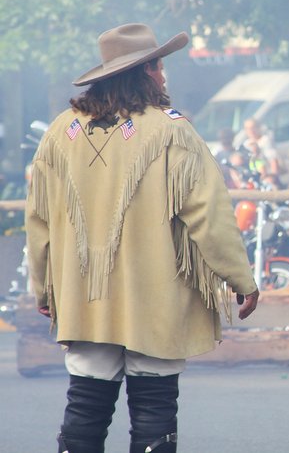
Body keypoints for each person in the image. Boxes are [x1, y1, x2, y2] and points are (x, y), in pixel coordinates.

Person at [25, 23, 260, 453]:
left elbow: (38, 221)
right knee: (154, 413)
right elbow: (209, 215)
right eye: (159, 66)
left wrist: (43, 287)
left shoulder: (60, 132)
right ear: (143, 72)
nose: (164, 76)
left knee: (84, 410)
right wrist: (240, 278)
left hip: (85, 300)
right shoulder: (171, 131)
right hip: (153, 301)